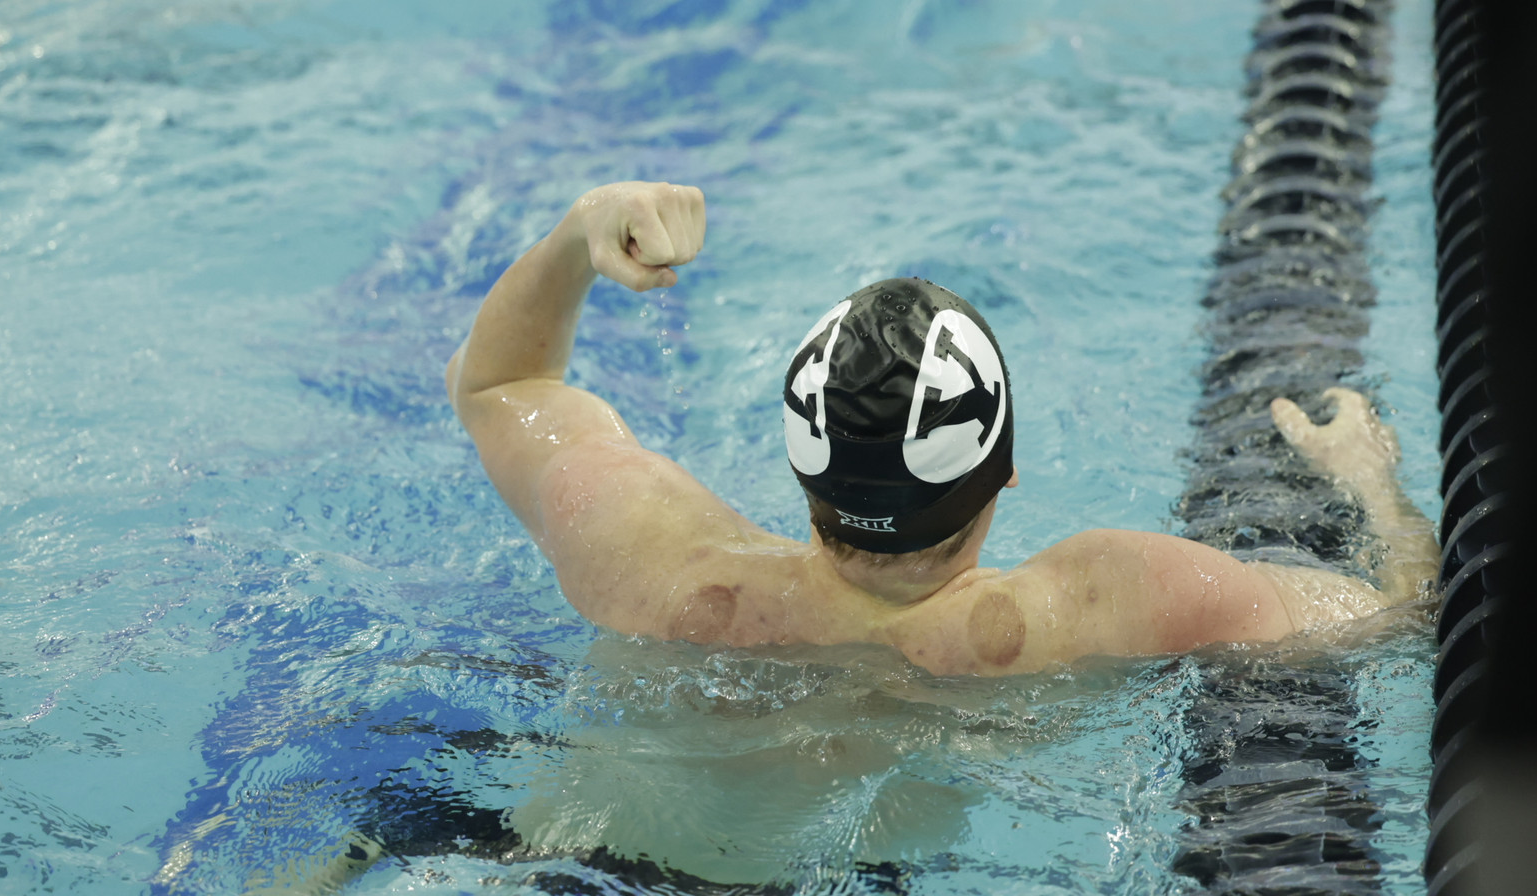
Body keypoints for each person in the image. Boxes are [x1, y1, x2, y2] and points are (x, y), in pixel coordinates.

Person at [447, 181, 1436, 676]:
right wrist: (1373, 487)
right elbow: (1404, 614)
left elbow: (500, 384)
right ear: (1003, 472)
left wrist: (582, 234)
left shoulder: (654, 566)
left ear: (803, 464)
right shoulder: (1098, 609)